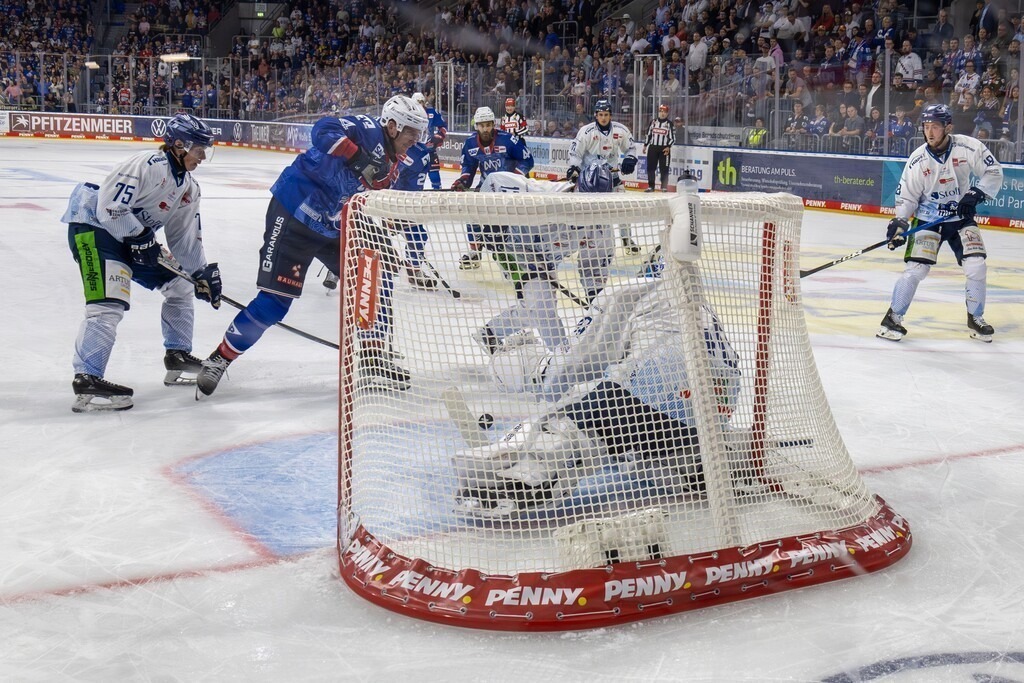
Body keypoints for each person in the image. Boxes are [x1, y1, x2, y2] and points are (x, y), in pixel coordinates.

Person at [454, 273, 741, 518]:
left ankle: (515, 482)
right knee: (635, 439)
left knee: (562, 426)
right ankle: (692, 463)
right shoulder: (689, 299)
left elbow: (577, 366)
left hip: (659, 387)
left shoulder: (623, 292)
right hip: (714, 412)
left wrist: (531, 365)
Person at [195, 95, 428, 396]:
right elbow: (322, 131)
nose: (416, 139)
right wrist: (356, 156)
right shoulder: (367, 128)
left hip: (334, 226)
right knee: (275, 302)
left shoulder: (395, 162)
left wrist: (382, 232)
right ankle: (219, 359)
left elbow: (369, 198)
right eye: (412, 131)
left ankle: (372, 356)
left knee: (376, 276)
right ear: (394, 126)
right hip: (295, 213)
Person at [63, 113, 221, 413]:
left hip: (133, 238)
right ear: (178, 144)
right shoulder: (147, 165)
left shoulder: (189, 188)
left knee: (179, 286)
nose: (202, 156)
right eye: (199, 149)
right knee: (108, 305)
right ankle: (88, 377)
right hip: (95, 229)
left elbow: (184, 238)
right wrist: (140, 236)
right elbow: (110, 208)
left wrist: (199, 273)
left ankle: (177, 356)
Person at [879, 104, 1004, 343]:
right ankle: (892, 318)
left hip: (960, 218)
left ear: (948, 127)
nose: (930, 132)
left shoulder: (968, 147)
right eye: (926, 127)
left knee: (976, 265)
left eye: (935, 126)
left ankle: (975, 318)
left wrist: (975, 194)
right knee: (916, 269)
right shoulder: (918, 160)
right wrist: (900, 223)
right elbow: (906, 196)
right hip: (928, 219)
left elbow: (993, 171)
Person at [473, 162, 616, 354]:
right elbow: (494, 181)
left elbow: (594, 264)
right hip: (512, 247)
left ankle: (490, 333)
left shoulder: (600, 227)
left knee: (536, 309)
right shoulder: (547, 194)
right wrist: (494, 225)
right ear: (576, 188)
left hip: (544, 260)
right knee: (543, 308)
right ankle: (561, 360)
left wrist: (594, 297)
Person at [453, 106, 535, 270]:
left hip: (510, 189)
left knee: (511, 224)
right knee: (472, 214)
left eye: (488, 125)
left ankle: (521, 253)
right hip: (487, 186)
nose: (485, 128)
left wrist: (514, 178)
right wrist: (462, 181)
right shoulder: (470, 143)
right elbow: (468, 168)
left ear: (493, 124)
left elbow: (528, 160)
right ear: (476, 125)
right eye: (481, 125)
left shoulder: (508, 140)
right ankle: (475, 252)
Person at [566, 98, 640, 254]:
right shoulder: (586, 131)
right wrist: (574, 168)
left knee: (624, 207)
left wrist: (629, 159)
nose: (603, 117)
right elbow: (575, 152)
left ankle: (627, 239)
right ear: (595, 115)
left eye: (606, 114)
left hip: (610, 176)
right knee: (582, 210)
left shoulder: (621, 130)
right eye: (600, 114)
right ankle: (576, 238)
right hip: (589, 179)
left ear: (610, 115)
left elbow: (631, 148)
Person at [410, 92, 447, 190]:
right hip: (414, 150)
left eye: (421, 102)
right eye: (417, 103)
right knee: (413, 176)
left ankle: (438, 193)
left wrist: (439, 136)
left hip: (429, 148)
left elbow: (443, 126)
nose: (419, 105)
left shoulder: (432, 112)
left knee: (434, 174)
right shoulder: (409, 114)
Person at [642, 104, 675, 192]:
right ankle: (651, 186)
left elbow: (672, 138)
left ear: (667, 113)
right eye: (661, 111)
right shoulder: (653, 122)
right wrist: (645, 145)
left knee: (664, 168)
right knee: (651, 168)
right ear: (658, 112)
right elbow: (648, 134)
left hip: (664, 149)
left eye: (664, 112)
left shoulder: (669, 124)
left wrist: (668, 146)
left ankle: (664, 187)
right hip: (652, 148)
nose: (662, 113)